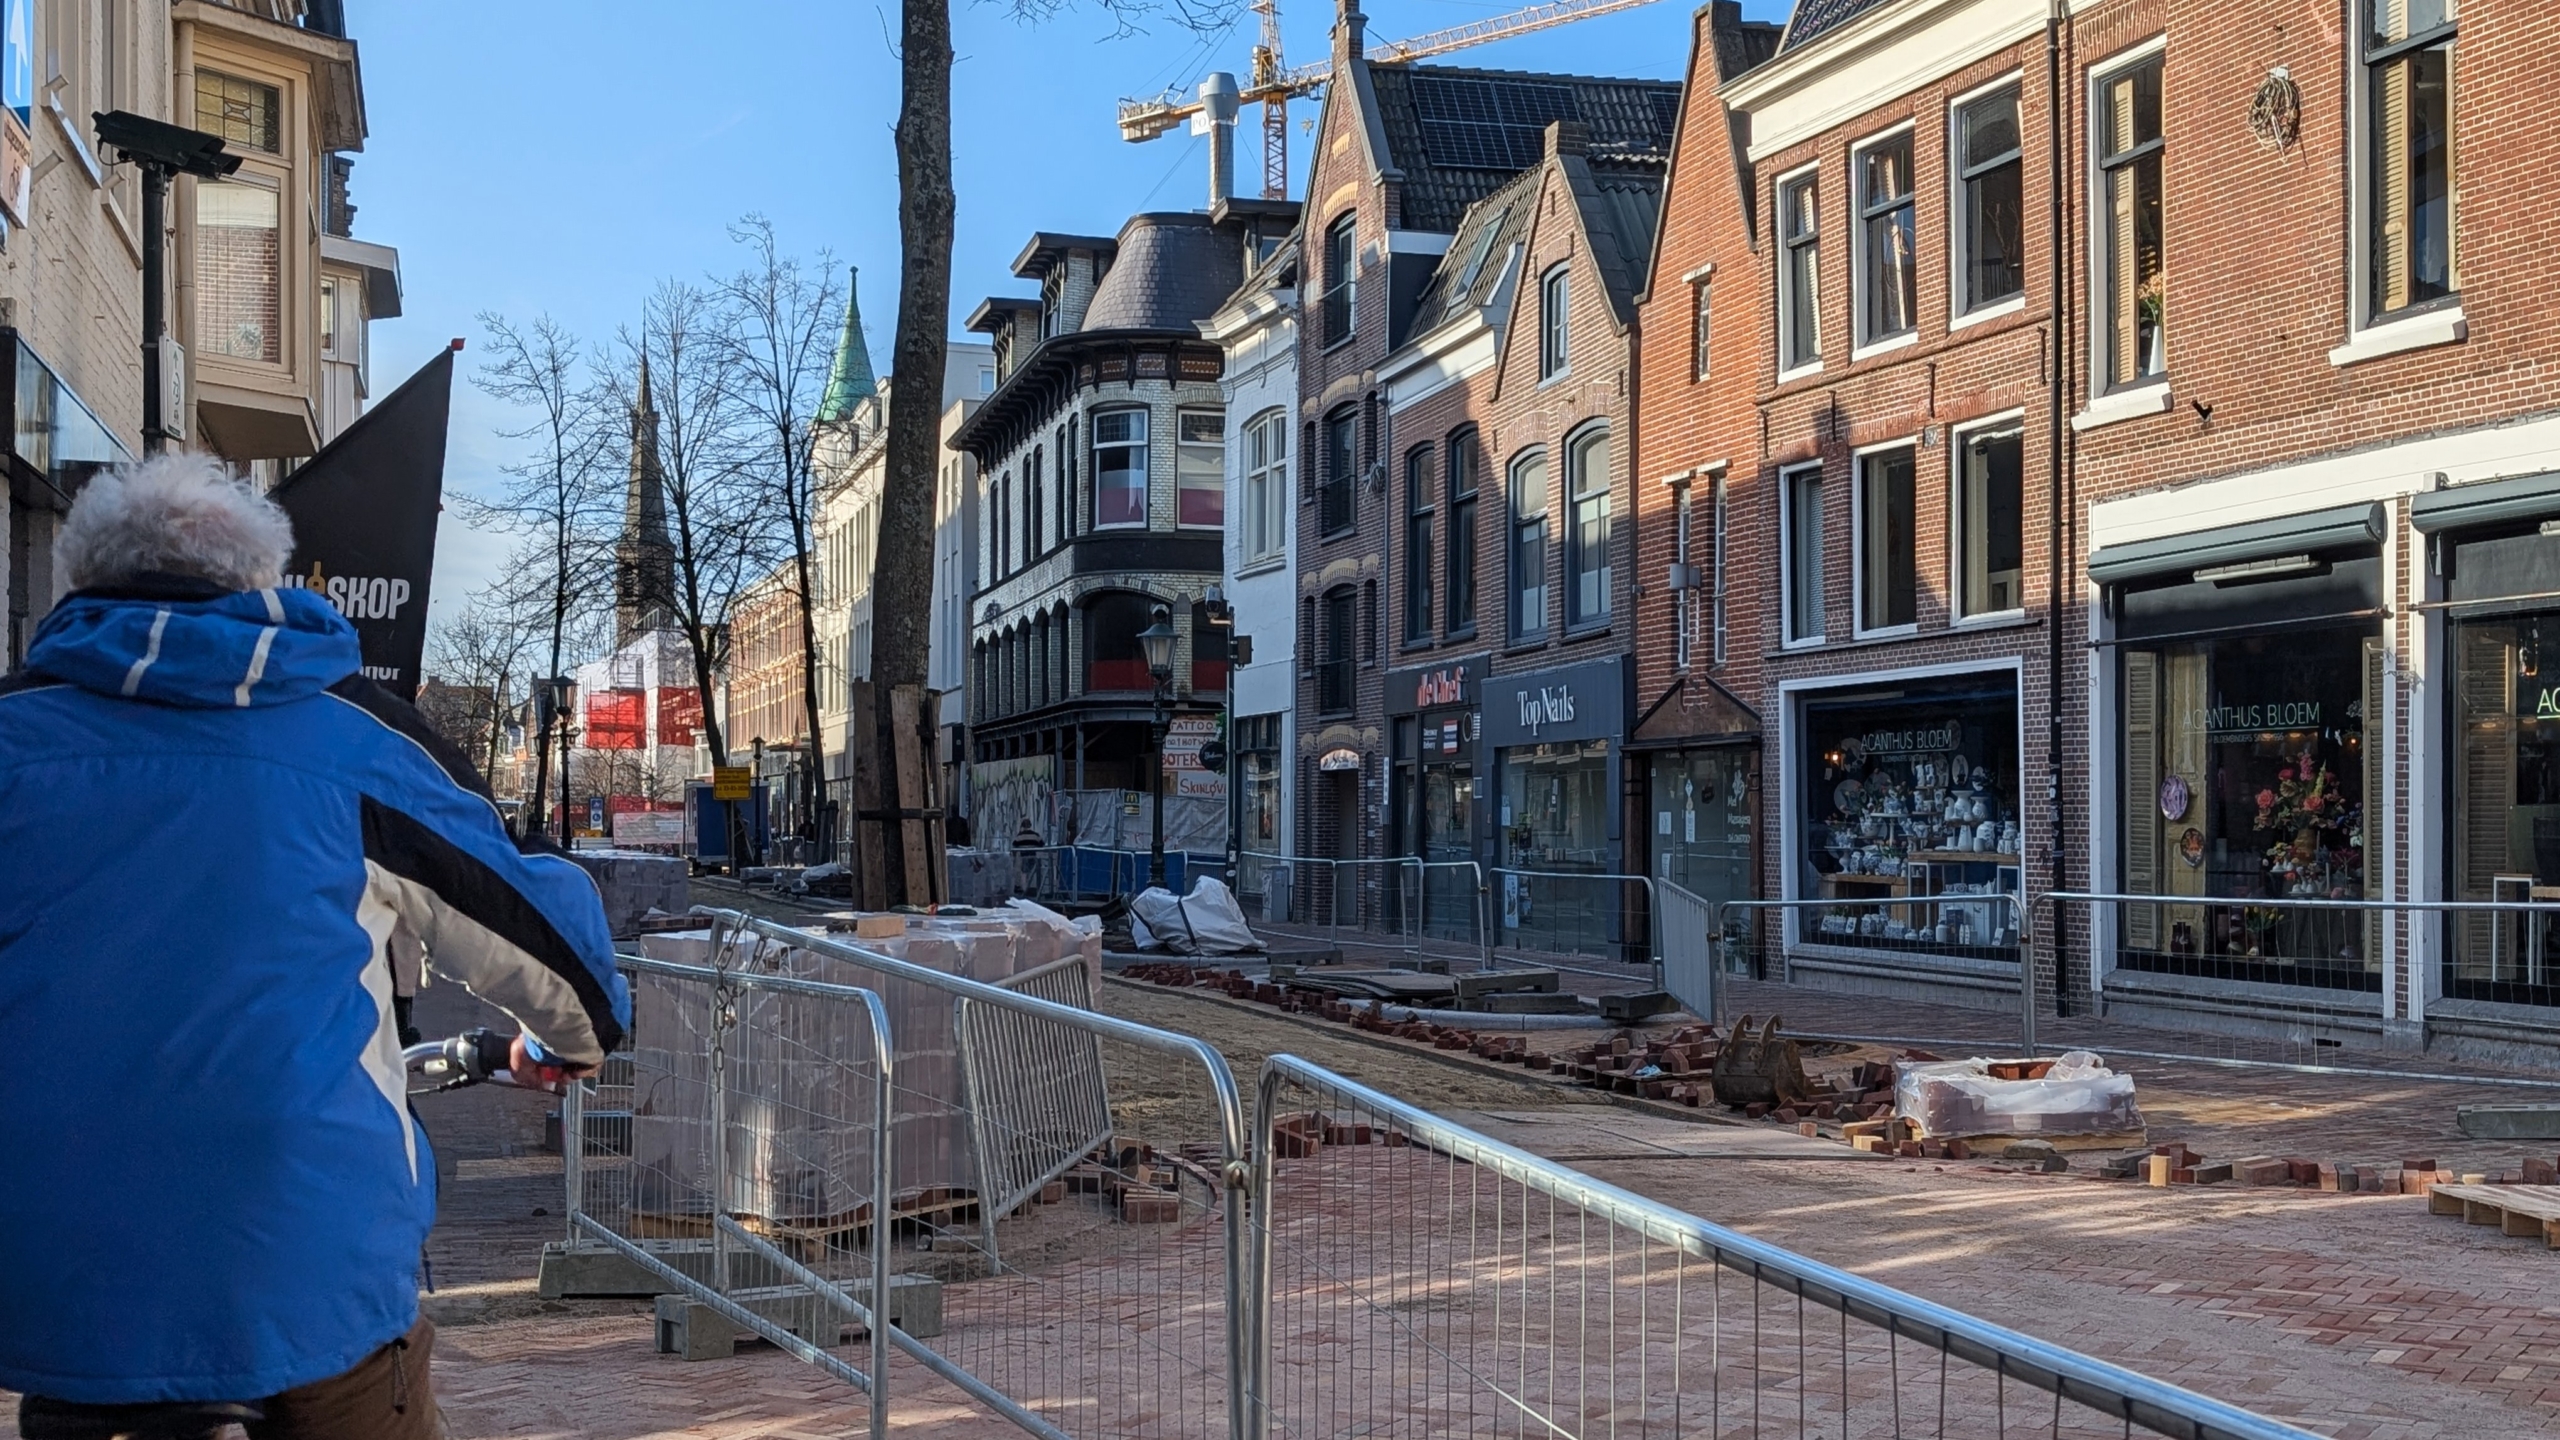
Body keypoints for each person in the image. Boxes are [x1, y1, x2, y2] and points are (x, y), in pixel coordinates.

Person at [0, 456, 631, 1437]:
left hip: (67, 1279)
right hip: (309, 1265)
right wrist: (572, 1042)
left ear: (77, 579)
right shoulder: (348, 738)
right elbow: (556, 951)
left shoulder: (15, 739)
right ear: (259, 582)